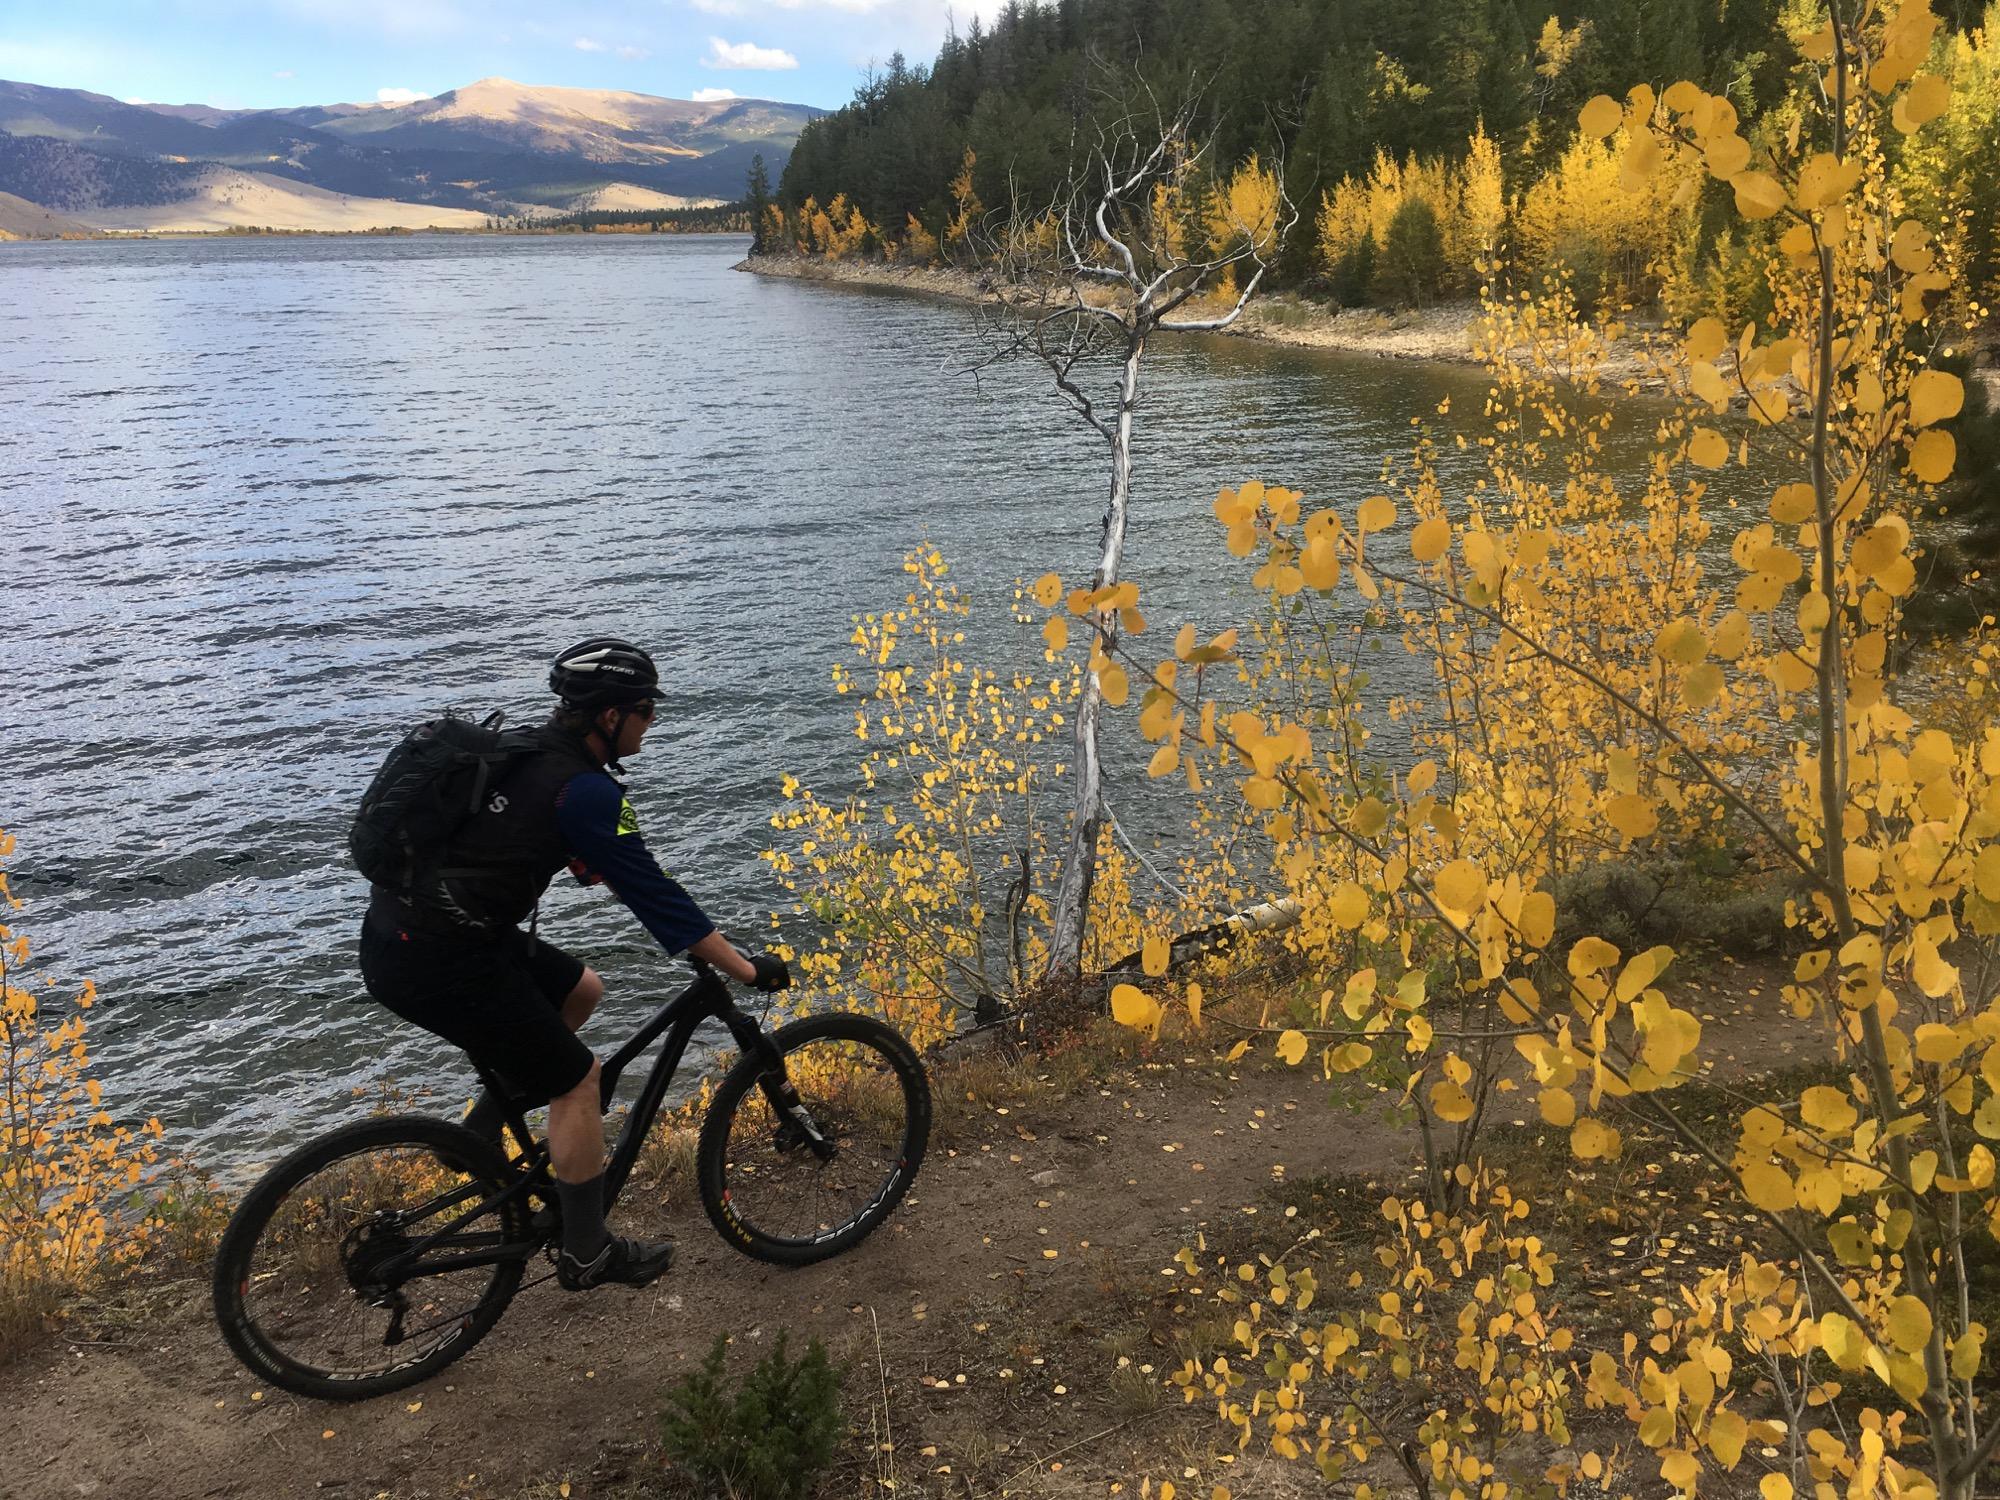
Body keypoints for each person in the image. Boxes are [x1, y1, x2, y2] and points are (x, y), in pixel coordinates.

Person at [357, 637, 789, 1292]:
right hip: (435, 956)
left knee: (582, 990)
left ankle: (474, 1139)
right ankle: (588, 1253)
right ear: (610, 717)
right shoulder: (584, 793)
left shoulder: (535, 751)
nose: (652, 722)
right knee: (579, 1079)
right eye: (646, 709)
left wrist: (599, 859)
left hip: (413, 930)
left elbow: (547, 846)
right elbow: (660, 901)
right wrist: (746, 970)